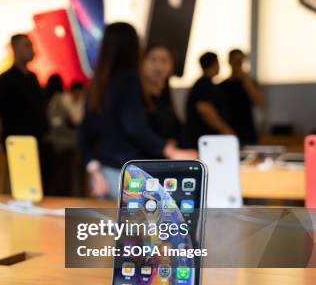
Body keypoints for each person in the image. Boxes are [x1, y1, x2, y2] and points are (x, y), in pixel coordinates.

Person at [78, 22, 197, 199]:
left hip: (104, 174)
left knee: (111, 226)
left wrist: (94, 171)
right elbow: (134, 127)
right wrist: (170, 151)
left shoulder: (96, 85)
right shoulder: (130, 81)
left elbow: (84, 133)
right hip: (130, 174)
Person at [0, 33, 48, 142]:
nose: (32, 50)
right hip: (15, 139)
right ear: (15, 49)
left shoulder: (32, 77)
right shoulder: (5, 79)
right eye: (27, 46)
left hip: (36, 138)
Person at [182, 52, 234, 148]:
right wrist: (224, 129)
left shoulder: (204, 83)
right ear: (214, 63)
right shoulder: (204, 84)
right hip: (204, 141)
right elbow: (205, 109)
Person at [219, 49, 263, 145]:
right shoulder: (222, 86)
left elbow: (259, 102)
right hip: (229, 131)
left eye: (240, 61)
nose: (238, 64)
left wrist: (246, 81)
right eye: (235, 61)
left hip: (248, 131)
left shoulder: (249, 82)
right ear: (229, 61)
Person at [141, 44, 182, 142]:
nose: (158, 66)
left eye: (164, 61)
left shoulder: (169, 95)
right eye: (153, 60)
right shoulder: (134, 95)